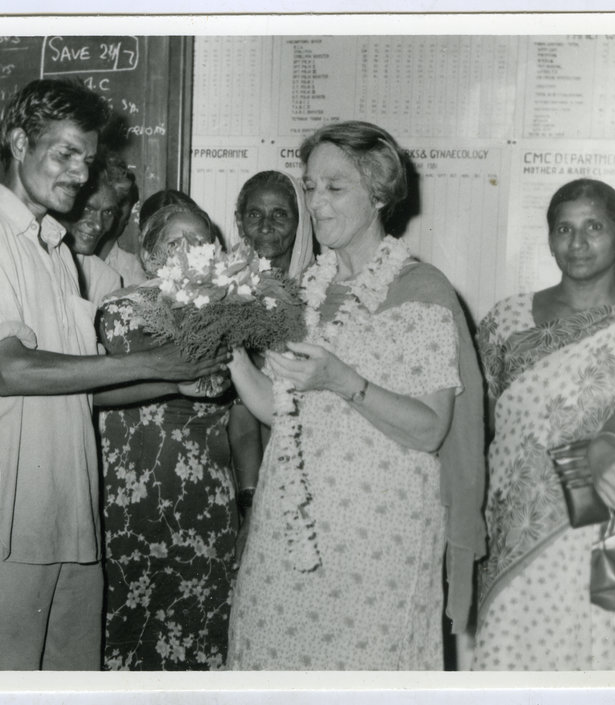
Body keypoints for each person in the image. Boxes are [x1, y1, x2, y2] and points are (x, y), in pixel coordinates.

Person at [0, 79, 226, 671]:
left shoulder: (57, 251)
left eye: (87, 159)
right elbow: (12, 370)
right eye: (65, 153)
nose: (79, 173)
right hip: (5, 512)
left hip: (71, 511)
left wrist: (176, 381)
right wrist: (152, 362)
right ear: (19, 143)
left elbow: (80, 391)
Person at [225, 120, 485, 670]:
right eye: (311, 186)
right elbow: (279, 409)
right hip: (287, 528)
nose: (316, 203)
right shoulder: (306, 291)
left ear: (380, 193)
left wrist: (342, 381)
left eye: (335, 187)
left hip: (375, 542)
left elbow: (430, 428)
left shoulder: (422, 289)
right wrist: (227, 348)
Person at [472, 179, 615, 671]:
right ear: (549, 239)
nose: (577, 242)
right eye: (564, 229)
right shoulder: (506, 321)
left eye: (594, 227)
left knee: (598, 656)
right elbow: (483, 426)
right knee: (507, 655)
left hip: (607, 526)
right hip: (510, 525)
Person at [99, 203, 239, 671]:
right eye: (175, 242)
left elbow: (240, 407)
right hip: (132, 492)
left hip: (203, 497)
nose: (189, 251)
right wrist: (174, 382)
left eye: (200, 241)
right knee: (128, 626)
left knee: (199, 627)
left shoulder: (227, 313)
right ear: (150, 254)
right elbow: (92, 395)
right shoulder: (119, 310)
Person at [228, 170, 317, 532]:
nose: (266, 226)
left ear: (301, 222)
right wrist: (249, 497)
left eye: (280, 214)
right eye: (255, 214)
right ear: (239, 221)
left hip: (309, 464)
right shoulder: (223, 289)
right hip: (240, 466)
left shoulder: (321, 292)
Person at [55, 165, 124, 306]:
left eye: (108, 212)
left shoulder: (107, 280)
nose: (98, 225)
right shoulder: (36, 256)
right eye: (87, 208)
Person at [97, 152, 147, 285]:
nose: (113, 209)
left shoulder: (135, 269)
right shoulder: (70, 258)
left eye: (121, 202)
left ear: (129, 214)